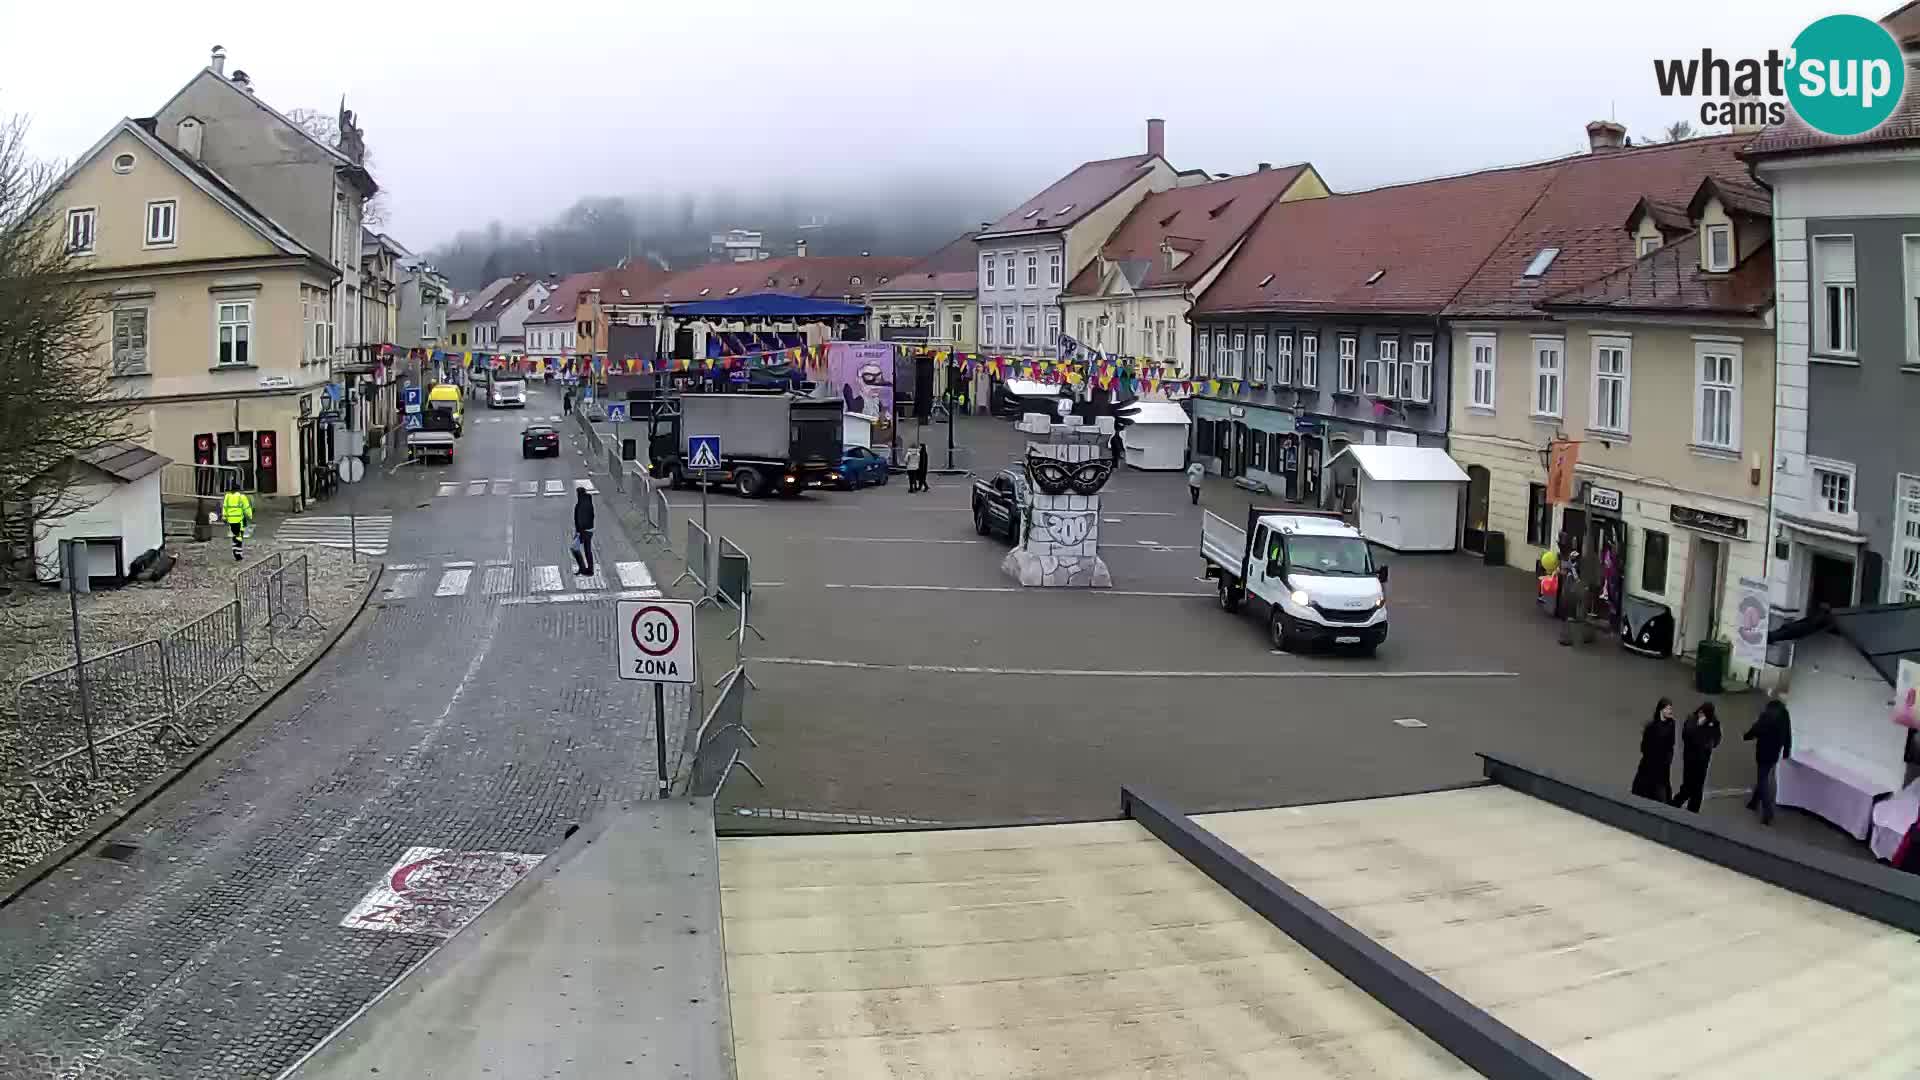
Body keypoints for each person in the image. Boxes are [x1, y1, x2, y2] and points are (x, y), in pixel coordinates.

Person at [1744, 696, 1792, 825]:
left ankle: (1768, 812)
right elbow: (1788, 733)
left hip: (1763, 752)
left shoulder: (1766, 716)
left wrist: (1746, 736)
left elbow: (1756, 730)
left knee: (1762, 780)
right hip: (1774, 753)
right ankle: (1753, 802)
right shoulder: (1784, 715)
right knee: (1763, 776)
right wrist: (1787, 750)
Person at [1671, 702, 1723, 813]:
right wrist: (1697, 728)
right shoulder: (1691, 720)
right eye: (1700, 712)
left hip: (1702, 761)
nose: (1701, 715)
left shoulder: (1714, 724)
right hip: (1690, 758)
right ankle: (1676, 803)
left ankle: (1691, 810)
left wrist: (1708, 743)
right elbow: (1685, 735)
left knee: (1698, 788)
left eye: (1704, 713)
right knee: (1688, 785)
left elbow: (1716, 740)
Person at [1630, 698, 1676, 803]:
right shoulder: (1651, 727)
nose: (1670, 711)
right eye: (1668, 709)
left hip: (1662, 765)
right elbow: (1644, 747)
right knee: (1645, 786)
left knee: (1661, 789)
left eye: (1670, 709)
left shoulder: (1671, 724)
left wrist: (1668, 758)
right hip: (1650, 763)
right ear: (1661, 710)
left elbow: (1671, 743)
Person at [221, 482, 253, 562]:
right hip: (239, 520)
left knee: (235, 536)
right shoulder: (241, 497)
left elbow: (225, 507)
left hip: (231, 520)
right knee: (238, 537)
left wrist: (224, 517)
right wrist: (250, 516)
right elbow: (247, 508)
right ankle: (238, 555)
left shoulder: (227, 497)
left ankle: (236, 553)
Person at [572, 487, 596, 577]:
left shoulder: (579, 505)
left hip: (583, 531)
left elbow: (579, 520)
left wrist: (578, 532)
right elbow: (592, 515)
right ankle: (590, 569)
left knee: (574, 548)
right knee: (587, 550)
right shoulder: (589, 502)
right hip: (590, 530)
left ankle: (582, 568)